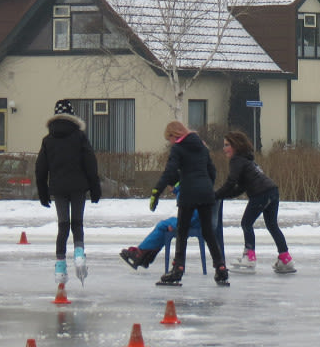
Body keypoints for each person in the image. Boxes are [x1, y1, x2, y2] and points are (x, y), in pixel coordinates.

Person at [151, 120, 227, 286]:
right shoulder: (201, 146)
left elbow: (170, 170)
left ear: (174, 135)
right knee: (208, 232)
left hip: (189, 193)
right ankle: (220, 267)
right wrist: (207, 185)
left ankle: (178, 269)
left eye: (169, 138)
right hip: (206, 192)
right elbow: (212, 170)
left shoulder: (178, 148)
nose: (169, 142)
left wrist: (157, 191)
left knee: (182, 232)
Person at [36, 99, 102, 286]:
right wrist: (95, 188)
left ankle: (60, 267)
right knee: (77, 223)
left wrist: (43, 192)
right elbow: (90, 163)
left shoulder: (48, 140)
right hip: (78, 187)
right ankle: (79, 255)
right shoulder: (79, 137)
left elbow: (40, 169)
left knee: (63, 226)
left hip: (58, 189)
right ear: (72, 117)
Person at [215, 131, 294, 274]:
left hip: (261, 194)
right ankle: (285, 258)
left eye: (227, 145)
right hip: (272, 191)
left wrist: (216, 195)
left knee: (246, 223)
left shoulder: (236, 160)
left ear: (235, 146)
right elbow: (240, 188)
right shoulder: (247, 160)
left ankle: (249, 258)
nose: (224, 148)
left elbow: (231, 182)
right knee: (272, 225)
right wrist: (222, 196)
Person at [118, 211, 206, 270]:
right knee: (165, 224)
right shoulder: (203, 188)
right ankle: (146, 254)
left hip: (192, 223)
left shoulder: (197, 190)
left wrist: (177, 226)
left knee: (162, 226)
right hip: (194, 221)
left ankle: (142, 253)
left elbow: (192, 216)